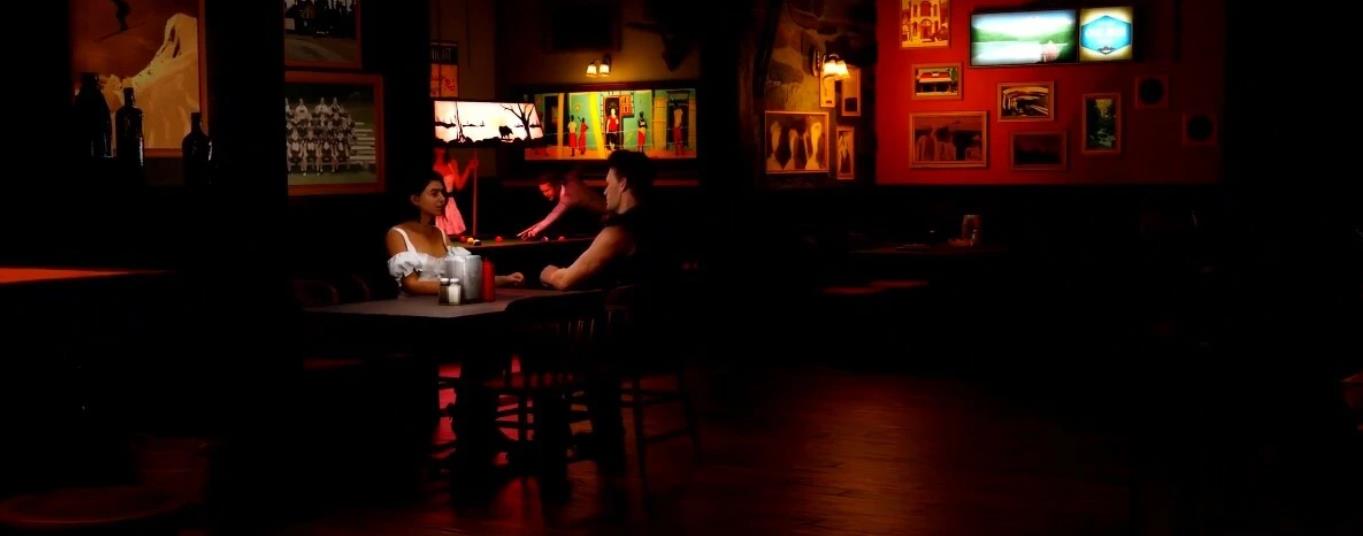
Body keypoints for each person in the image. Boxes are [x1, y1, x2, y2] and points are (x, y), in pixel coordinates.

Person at [387, 173, 523, 296]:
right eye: (434, 194)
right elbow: (411, 285)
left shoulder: (439, 233)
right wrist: (461, 286)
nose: (442, 199)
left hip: (448, 302)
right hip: (413, 308)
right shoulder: (397, 234)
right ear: (415, 199)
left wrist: (505, 279)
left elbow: (465, 276)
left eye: (442, 193)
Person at [538, 150, 656, 291]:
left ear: (623, 183)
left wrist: (549, 273)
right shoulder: (654, 223)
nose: (605, 191)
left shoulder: (618, 233)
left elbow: (564, 281)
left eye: (608, 184)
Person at [518, 168, 605, 240]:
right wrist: (534, 228)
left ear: (557, 185)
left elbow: (554, 214)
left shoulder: (569, 197)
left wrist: (535, 230)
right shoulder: (568, 178)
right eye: (543, 192)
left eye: (547, 190)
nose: (545, 194)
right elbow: (576, 170)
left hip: (605, 216)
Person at [432, 142, 476, 237]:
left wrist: (468, 168)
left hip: (450, 203)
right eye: (439, 146)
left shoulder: (451, 163)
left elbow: (459, 186)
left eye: (443, 146)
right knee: (438, 235)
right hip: (435, 204)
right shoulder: (432, 166)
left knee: (457, 234)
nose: (442, 149)